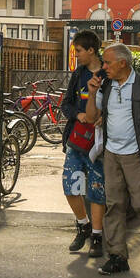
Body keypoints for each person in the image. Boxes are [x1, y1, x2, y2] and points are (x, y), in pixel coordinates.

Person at [83, 43, 140, 275]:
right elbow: (91, 117)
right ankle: (118, 255)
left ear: (123, 63)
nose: (104, 67)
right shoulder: (106, 87)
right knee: (114, 204)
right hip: (111, 153)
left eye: (108, 62)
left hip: (137, 154)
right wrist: (92, 94)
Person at [58, 29, 106, 259]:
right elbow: (65, 104)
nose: (76, 55)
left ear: (91, 50)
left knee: (97, 189)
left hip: (99, 143)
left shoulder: (109, 73)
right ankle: (83, 224)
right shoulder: (78, 75)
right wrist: (78, 115)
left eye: (78, 51)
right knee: (70, 185)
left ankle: (97, 236)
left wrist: (104, 116)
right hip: (77, 141)